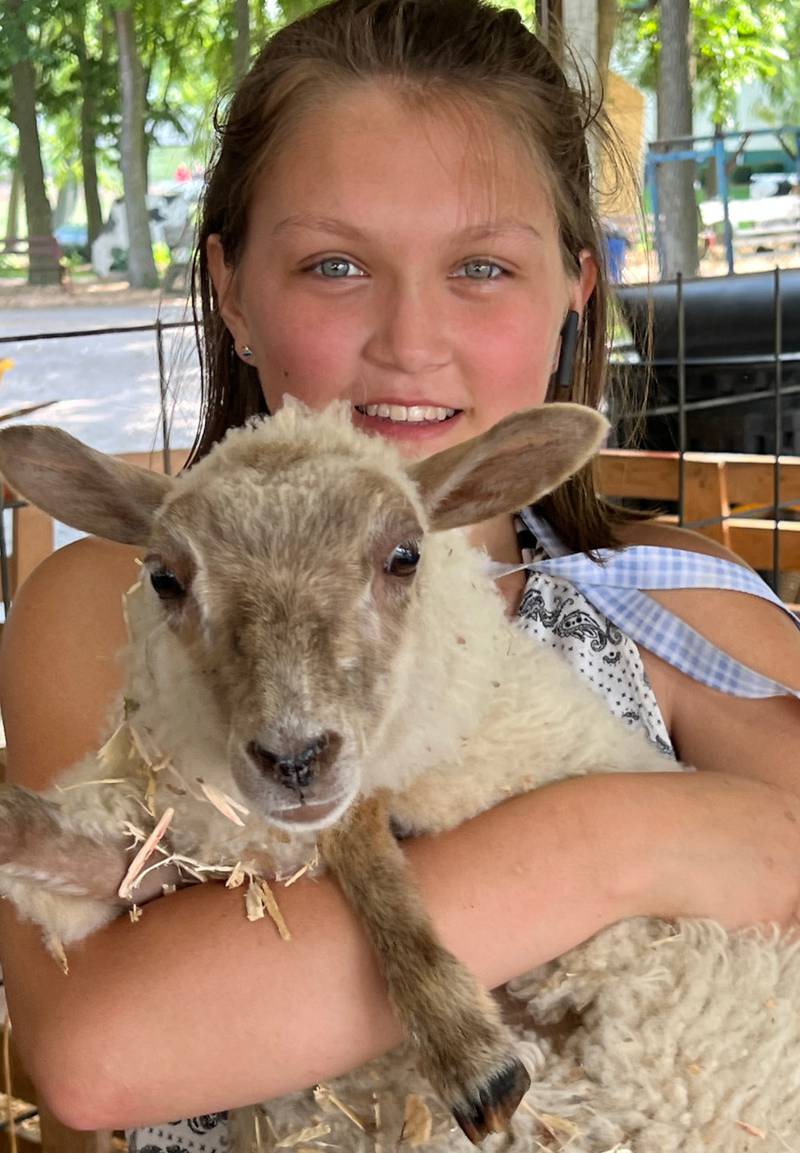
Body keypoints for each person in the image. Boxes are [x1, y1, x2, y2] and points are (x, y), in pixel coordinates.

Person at [1, 0, 799, 1147]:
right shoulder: (124, 608)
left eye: (480, 265)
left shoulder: (663, 603)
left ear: (574, 294)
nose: (409, 339)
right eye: (335, 265)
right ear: (231, 291)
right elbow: (105, 1049)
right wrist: (617, 841)